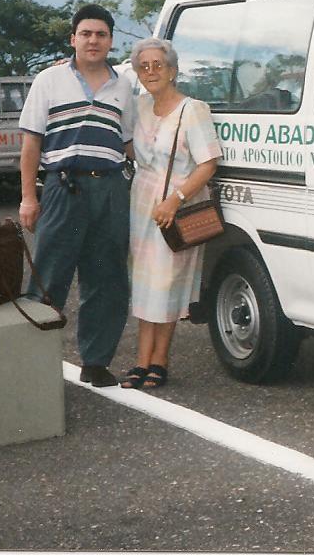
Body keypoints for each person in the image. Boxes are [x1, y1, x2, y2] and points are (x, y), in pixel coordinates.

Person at [18, 4, 136, 387]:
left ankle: (96, 361)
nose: (93, 40)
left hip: (110, 188)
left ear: (111, 41)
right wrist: (28, 199)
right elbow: (31, 144)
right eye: (86, 33)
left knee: (107, 278)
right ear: (73, 39)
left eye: (101, 34)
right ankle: (33, 366)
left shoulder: (123, 86)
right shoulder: (49, 80)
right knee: (50, 276)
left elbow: (129, 144)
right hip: (62, 188)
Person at [120, 37, 220, 390]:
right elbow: (129, 146)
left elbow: (208, 163)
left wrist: (176, 199)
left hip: (176, 207)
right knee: (145, 284)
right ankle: (141, 360)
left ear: (173, 71)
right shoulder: (139, 106)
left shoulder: (192, 109)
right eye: (143, 66)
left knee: (165, 284)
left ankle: (159, 361)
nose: (150, 72)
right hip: (142, 203)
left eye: (158, 65)